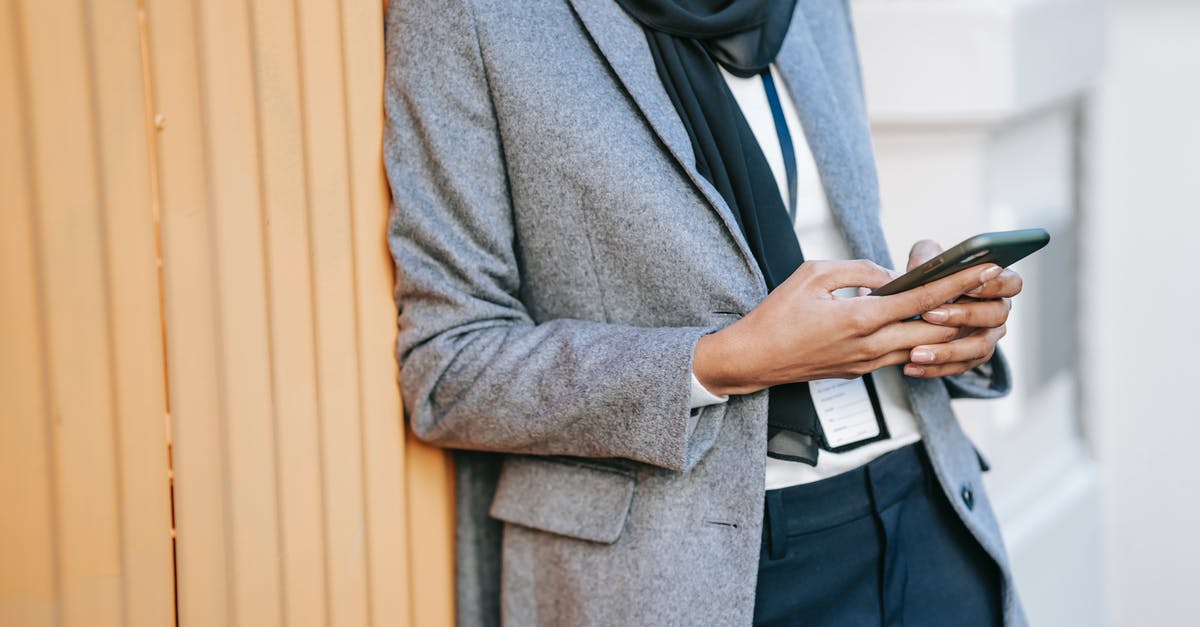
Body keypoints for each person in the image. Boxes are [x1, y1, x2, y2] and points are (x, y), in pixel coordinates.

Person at [384, 0, 1027, 625]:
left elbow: (835, 245)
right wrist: (722, 363)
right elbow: (448, 368)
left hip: (926, 504)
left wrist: (936, 321)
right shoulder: (468, 12)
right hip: (684, 568)